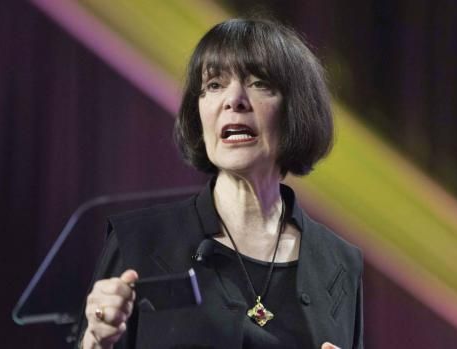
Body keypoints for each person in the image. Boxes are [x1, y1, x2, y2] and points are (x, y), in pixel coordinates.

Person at [78, 17, 363, 349]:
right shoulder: (140, 242)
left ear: (295, 110)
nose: (234, 100)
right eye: (214, 85)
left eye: (259, 83)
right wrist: (95, 341)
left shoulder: (339, 263)